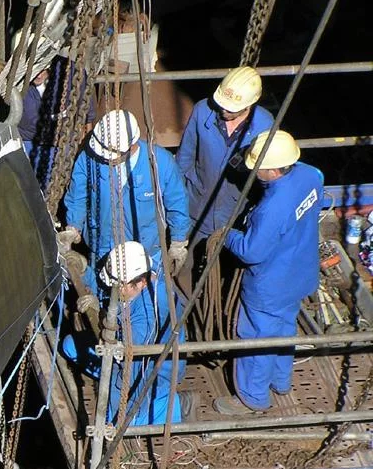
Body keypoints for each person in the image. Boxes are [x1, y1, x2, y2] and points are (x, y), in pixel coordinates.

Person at [213, 130, 322, 414]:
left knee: (257, 338)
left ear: (273, 170)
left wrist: (227, 235)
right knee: (285, 327)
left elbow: (252, 251)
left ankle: (252, 397)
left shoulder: (272, 208)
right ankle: (280, 380)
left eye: (258, 166)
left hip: (270, 285)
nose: (253, 170)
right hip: (300, 274)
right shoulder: (311, 175)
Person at [60, 109, 191, 306]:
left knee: (148, 306)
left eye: (111, 154)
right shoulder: (90, 156)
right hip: (102, 246)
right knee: (101, 295)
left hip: (146, 253)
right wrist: (73, 227)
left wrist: (178, 242)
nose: (105, 159)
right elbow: (77, 194)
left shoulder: (159, 163)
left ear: (131, 146)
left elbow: (177, 203)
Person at [62, 241, 192, 425]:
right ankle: (108, 377)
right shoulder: (136, 274)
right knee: (69, 346)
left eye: (120, 286)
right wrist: (84, 271)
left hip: (149, 367)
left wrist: (100, 312)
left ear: (141, 282)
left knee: (117, 423)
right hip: (125, 346)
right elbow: (106, 289)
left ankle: (178, 406)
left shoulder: (149, 315)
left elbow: (128, 357)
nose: (116, 289)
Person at [176, 66, 274, 279]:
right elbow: (185, 158)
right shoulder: (203, 110)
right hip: (198, 207)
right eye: (222, 104)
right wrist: (182, 200)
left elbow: (267, 179)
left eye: (232, 108)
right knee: (186, 268)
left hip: (235, 216)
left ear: (250, 104)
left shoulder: (265, 126)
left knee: (226, 275)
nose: (224, 111)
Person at [18, 54, 97, 188]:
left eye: (42, 69)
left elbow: (86, 102)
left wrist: (87, 134)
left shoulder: (71, 73)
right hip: (30, 139)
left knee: (62, 179)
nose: (38, 75)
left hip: (63, 136)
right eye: (33, 70)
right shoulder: (16, 80)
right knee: (31, 183)